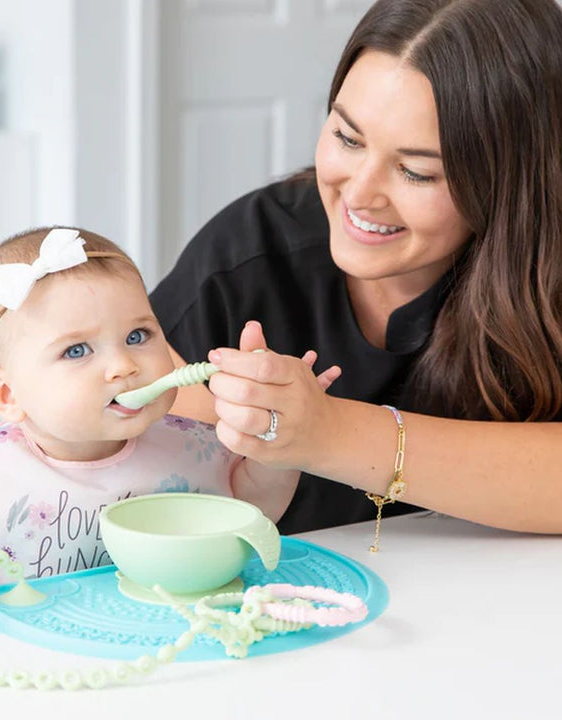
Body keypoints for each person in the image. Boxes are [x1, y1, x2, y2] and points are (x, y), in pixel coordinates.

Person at [150, 0, 562, 542]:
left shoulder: (545, 277)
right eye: (347, 138)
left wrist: (323, 432)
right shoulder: (250, 253)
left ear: (513, 181)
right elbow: (128, 435)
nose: (360, 195)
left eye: (416, 172)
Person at [0, 227, 314, 604]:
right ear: (7, 393)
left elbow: (255, 511)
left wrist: (280, 445)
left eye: (138, 335)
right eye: (76, 350)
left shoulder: (191, 447)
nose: (123, 365)